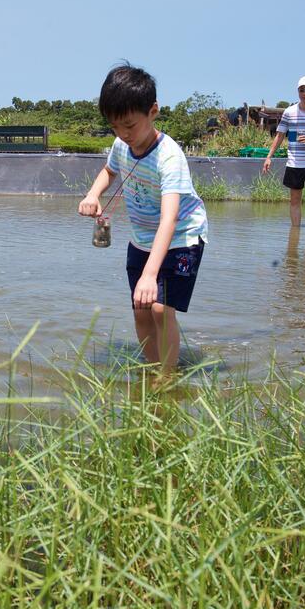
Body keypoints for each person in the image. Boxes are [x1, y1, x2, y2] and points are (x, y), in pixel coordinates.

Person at [78, 64, 209, 379]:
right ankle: (154, 371)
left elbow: (170, 218)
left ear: (153, 112)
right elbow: (109, 171)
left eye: (129, 125)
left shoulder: (169, 156)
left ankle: (167, 377)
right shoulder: (121, 145)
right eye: (114, 127)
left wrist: (150, 275)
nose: (123, 135)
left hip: (181, 238)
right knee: (141, 310)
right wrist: (93, 194)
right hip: (142, 239)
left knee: (162, 310)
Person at [262, 75, 305, 228]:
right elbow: (280, 135)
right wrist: (269, 157)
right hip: (295, 162)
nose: (304, 94)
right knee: (295, 198)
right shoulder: (289, 112)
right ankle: (295, 230)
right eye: (301, 90)